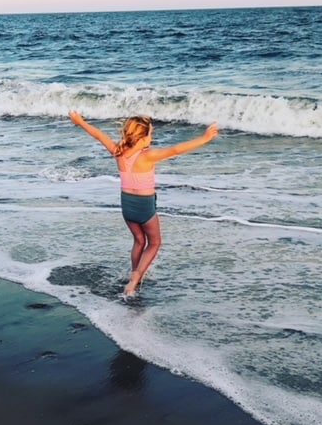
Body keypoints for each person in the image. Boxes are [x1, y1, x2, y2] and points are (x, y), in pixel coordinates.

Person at [68, 110, 219, 296]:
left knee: (139, 240)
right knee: (154, 243)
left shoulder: (119, 151)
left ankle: (134, 273)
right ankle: (134, 280)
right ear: (142, 137)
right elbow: (175, 150)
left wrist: (80, 121)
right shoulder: (147, 156)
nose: (151, 138)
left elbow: (99, 135)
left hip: (127, 205)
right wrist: (204, 139)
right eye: (150, 134)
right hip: (144, 206)